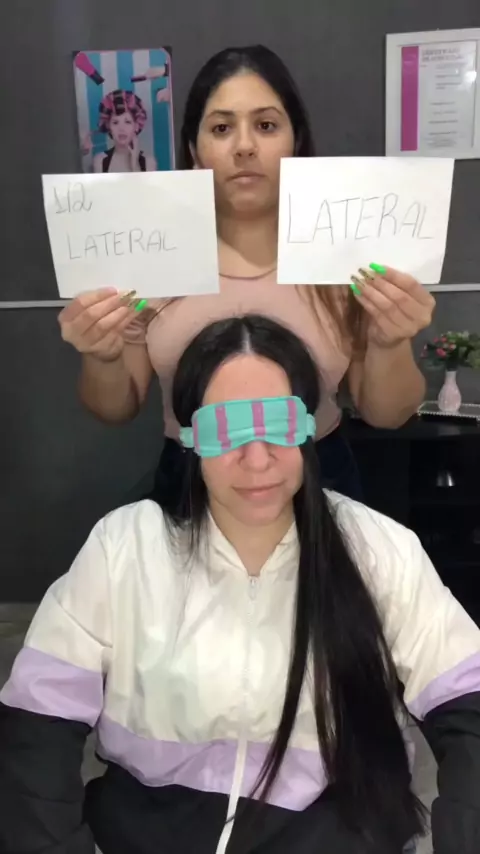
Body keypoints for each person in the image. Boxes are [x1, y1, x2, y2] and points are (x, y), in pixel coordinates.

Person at [1, 314, 479, 854]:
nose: (256, 459)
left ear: (307, 428)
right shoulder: (124, 547)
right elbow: (36, 723)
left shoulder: (379, 549)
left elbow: (469, 703)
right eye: (225, 430)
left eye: (277, 424)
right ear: (190, 439)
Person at [59, 46, 435, 502]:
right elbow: (114, 409)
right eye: (221, 128)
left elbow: (387, 414)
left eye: (266, 125)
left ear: (295, 141)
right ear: (194, 148)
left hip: (318, 481)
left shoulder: (344, 259)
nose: (244, 146)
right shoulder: (149, 255)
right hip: (190, 483)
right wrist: (101, 356)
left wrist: (391, 342)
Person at [92, 89, 157, 173]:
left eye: (127, 122)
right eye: (115, 123)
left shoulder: (148, 162)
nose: (121, 128)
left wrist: (134, 163)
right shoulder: (100, 160)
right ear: (109, 126)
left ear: (136, 126)